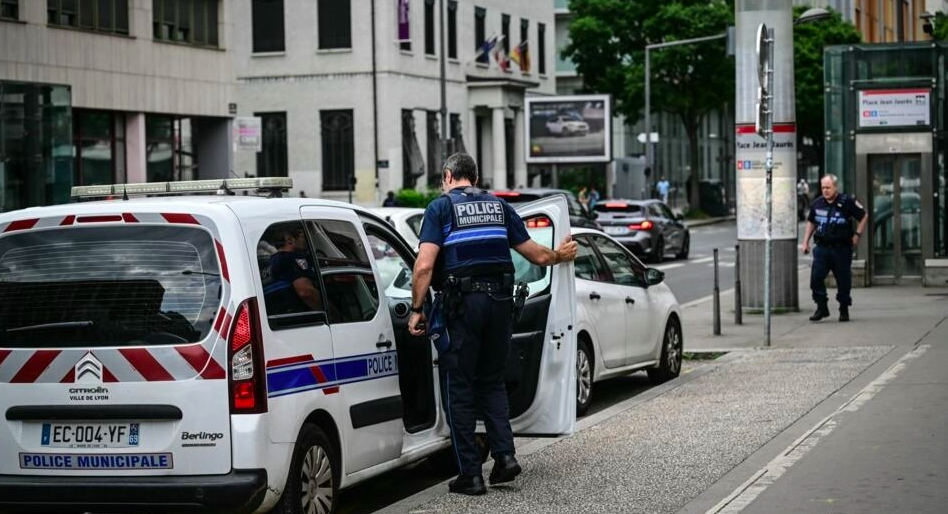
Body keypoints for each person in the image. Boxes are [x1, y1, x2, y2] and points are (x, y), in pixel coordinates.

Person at [407, 153, 578, 496]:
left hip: (462, 307)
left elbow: (424, 266)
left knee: (460, 388)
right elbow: (537, 255)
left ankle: (470, 475)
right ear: (476, 175)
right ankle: (505, 457)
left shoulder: (440, 208)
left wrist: (416, 308)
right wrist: (562, 255)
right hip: (501, 304)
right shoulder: (500, 207)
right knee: (492, 383)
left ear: (448, 175)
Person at [802, 174, 868, 322]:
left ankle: (843, 308)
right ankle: (822, 307)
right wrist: (805, 241)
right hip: (822, 248)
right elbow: (811, 222)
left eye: (828, 188)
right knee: (816, 279)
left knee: (843, 281)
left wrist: (857, 234)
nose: (825, 190)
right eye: (823, 187)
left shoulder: (847, 202)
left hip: (841, 248)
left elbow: (864, 216)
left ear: (835, 187)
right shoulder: (818, 203)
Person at [268, 226, 325, 313]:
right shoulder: (293, 258)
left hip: (277, 317)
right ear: (289, 240)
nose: (306, 240)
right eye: (302, 236)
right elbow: (306, 293)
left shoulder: (270, 262)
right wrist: (332, 313)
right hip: (299, 316)